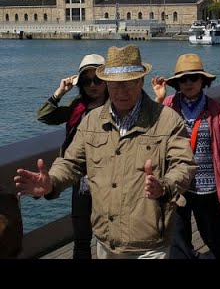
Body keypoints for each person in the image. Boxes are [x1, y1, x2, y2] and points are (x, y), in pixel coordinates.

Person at [15, 45, 197, 259]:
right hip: (105, 240)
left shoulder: (167, 120)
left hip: (148, 244)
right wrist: (51, 182)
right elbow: (71, 163)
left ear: (141, 81)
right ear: (107, 84)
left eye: (129, 83)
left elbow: (184, 164)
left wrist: (164, 186)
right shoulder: (91, 121)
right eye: (115, 85)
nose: (122, 92)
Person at [151, 53, 220, 259]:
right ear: (177, 83)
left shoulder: (215, 108)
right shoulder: (169, 106)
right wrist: (159, 98)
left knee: (215, 238)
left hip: (207, 185)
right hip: (176, 184)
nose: (188, 83)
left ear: (203, 81)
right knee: (178, 243)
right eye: (183, 79)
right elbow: (150, 132)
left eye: (193, 78)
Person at [36, 53, 108, 259]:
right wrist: (59, 92)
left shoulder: (118, 107)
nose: (93, 85)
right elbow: (44, 116)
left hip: (109, 179)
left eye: (98, 80)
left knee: (110, 238)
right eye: (86, 81)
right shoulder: (77, 107)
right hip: (81, 180)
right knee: (81, 239)